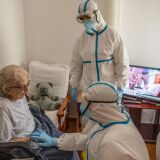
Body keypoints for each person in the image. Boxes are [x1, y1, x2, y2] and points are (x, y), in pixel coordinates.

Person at [31, 81, 149, 160]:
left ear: (97, 106)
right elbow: (89, 138)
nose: (82, 106)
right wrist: (56, 141)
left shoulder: (112, 143)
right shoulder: (113, 119)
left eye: (86, 102)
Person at [0, 65, 79, 160]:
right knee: (68, 151)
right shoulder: (3, 108)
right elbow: (4, 142)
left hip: (38, 127)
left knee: (68, 143)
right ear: (6, 88)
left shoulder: (19, 95)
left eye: (27, 84)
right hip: (30, 140)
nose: (26, 90)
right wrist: (31, 138)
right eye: (22, 87)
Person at [70, 0, 129, 102]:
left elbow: (122, 63)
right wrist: (74, 85)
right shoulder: (80, 40)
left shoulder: (112, 35)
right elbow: (76, 66)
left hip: (109, 93)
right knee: (88, 118)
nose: (85, 21)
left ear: (96, 14)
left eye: (87, 17)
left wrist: (120, 87)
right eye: (82, 18)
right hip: (88, 92)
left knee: (107, 118)